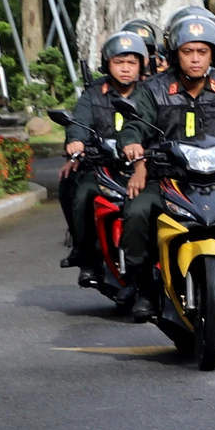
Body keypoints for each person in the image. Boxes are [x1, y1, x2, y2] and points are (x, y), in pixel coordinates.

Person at [114, 11, 215, 318]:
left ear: (213, 55)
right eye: (188, 51)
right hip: (168, 177)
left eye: (202, 52)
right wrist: (132, 144)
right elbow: (134, 124)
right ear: (174, 53)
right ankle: (143, 288)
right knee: (137, 212)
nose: (195, 59)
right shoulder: (152, 89)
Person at [61, 31, 153, 269]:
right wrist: (76, 141)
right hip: (103, 165)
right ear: (107, 64)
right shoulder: (94, 92)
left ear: (142, 65)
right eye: (118, 62)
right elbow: (79, 121)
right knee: (79, 193)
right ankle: (85, 254)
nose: (125, 68)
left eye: (132, 63)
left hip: (143, 167)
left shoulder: (152, 92)